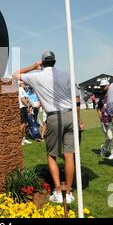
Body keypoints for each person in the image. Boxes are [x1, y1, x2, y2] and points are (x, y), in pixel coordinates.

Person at [13, 51, 84, 204]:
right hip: (70, 115)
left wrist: (33, 66)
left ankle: (58, 190)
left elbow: (15, 74)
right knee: (69, 155)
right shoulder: (66, 74)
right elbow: (77, 98)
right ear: (55, 61)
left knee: (52, 155)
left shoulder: (36, 76)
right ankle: (69, 192)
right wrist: (78, 120)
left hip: (53, 116)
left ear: (43, 63)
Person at [96, 79, 113, 160]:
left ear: (108, 85)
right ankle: (111, 152)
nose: (102, 88)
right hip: (104, 117)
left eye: (103, 86)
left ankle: (106, 149)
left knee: (110, 137)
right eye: (101, 86)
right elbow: (99, 107)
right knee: (109, 136)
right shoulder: (102, 95)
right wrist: (99, 115)